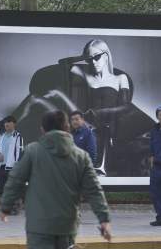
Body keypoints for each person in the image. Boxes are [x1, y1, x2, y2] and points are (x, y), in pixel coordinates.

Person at [8, 38, 154, 176]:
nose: (93, 62)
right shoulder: (85, 76)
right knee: (36, 98)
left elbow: (126, 107)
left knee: (54, 100)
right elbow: (63, 63)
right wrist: (82, 57)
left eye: (97, 57)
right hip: (81, 117)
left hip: (102, 123)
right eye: (89, 59)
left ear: (106, 56)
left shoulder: (120, 79)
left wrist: (96, 113)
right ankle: (5, 128)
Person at [0, 110, 112, 249]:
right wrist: (104, 219)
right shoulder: (81, 156)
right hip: (67, 225)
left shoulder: (33, 151)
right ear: (67, 127)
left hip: (39, 224)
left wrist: (5, 207)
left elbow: (15, 180)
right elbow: (94, 190)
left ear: (42, 130)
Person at [0, 116, 23, 214]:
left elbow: (19, 151)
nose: (6, 124)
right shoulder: (2, 136)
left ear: (14, 124)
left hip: (12, 166)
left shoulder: (17, 136)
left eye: (9, 122)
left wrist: (17, 165)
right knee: (1, 187)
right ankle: (6, 207)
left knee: (12, 188)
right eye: (5, 122)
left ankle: (14, 208)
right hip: (2, 165)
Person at [149, 106, 161, 226]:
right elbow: (151, 148)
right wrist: (151, 162)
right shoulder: (154, 130)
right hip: (156, 167)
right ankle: (160, 217)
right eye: (159, 114)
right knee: (155, 192)